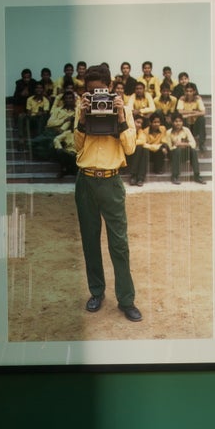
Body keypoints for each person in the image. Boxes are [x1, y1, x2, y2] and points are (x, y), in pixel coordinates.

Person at [73, 63, 142, 321]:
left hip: (111, 182)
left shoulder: (124, 108)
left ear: (110, 87)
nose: (97, 98)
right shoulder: (81, 108)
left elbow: (131, 148)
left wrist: (121, 118)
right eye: (91, 93)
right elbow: (76, 146)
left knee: (119, 244)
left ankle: (126, 299)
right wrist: (82, 118)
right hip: (86, 181)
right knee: (90, 241)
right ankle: (96, 292)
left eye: (101, 91)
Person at [168, 112, 202, 183]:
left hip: (183, 153)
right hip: (173, 154)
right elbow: (170, 147)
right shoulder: (168, 132)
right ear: (172, 122)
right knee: (177, 150)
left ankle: (197, 175)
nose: (178, 123)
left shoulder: (186, 130)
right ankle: (175, 176)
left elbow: (193, 143)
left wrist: (182, 144)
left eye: (180, 121)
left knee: (193, 151)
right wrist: (177, 146)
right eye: (176, 121)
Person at [179, 81, 207, 151]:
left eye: (190, 91)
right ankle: (185, 141)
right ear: (184, 91)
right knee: (182, 118)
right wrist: (194, 111)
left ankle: (202, 143)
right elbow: (180, 111)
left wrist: (189, 114)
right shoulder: (182, 99)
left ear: (194, 91)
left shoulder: (198, 99)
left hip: (195, 126)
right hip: (186, 125)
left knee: (202, 119)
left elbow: (203, 112)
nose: (188, 93)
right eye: (187, 91)